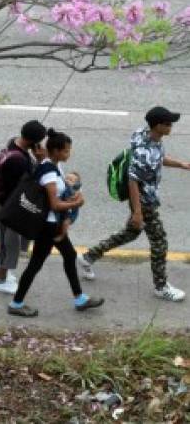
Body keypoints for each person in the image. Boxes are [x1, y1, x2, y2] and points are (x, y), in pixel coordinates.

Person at [78, 106, 190, 302]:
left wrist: (181, 164)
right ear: (157, 126)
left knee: (131, 232)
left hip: (146, 199)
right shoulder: (144, 152)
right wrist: (138, 212)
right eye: (168, 123)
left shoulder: (145, 134)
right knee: (159, 242)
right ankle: (161, 286)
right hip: (144, 201)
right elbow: (132, 181)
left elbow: (158, 158)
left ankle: (88, 257)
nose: (172, 126)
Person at [8, 128, 104, 317]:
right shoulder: (49, 173)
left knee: (69, 255)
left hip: (53, 224)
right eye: (66, 150)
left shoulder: (52, 164)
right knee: (36, 264)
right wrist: (77, 202)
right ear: (56, 151)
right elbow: (54, 204)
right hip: (49, 226)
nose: (69, 153)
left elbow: (46, 161)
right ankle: (16, 303)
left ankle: (80, 298)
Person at [0, 120, 47, 294]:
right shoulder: (19, 160)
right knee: (8, 244)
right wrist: (40, 161)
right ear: (33, 142)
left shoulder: (13, 143)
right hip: (8, 207)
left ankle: (3, 272)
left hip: (5, 204)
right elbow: (27, 183)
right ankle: (0, 279)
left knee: (6, 243)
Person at [53, 170, 81, 243]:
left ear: (76, 184)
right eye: (67, 178)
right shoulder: (63, 187)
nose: (67, 181)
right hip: (64, 210)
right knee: (57, 220)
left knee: (65, 223)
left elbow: (70, 198)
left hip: (72, 213)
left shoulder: (73, 191)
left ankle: (63, 235)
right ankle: (58, 231)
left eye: (71, 180)